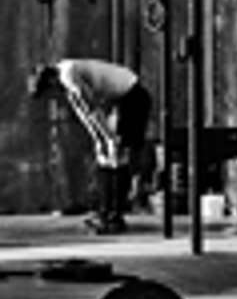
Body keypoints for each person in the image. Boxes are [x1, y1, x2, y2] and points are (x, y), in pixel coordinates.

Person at [30, 59, 153, 234]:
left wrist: (107, 138)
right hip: (120, 101)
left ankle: (115, 216)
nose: (53, 95)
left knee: (118, 155)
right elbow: (84, 113)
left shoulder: (69, 74)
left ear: (51, 80)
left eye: (49, 91)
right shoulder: (65, 78)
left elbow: (91, 108)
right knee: (106, 157)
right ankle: (106, 211)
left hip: (132, 98)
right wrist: (99, 139)